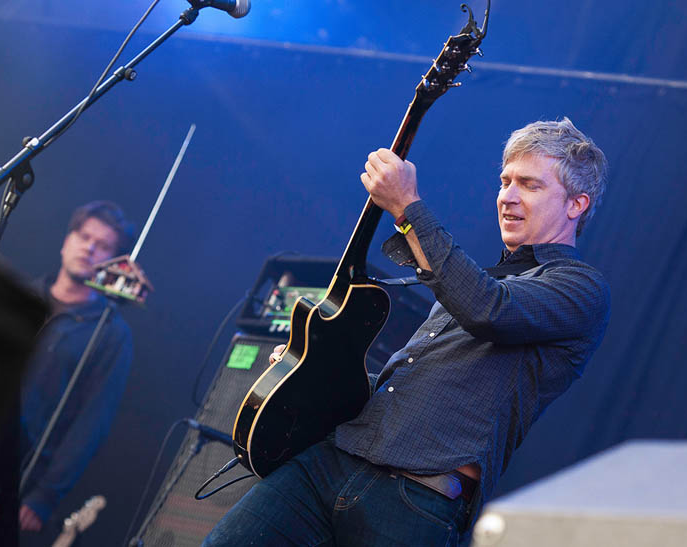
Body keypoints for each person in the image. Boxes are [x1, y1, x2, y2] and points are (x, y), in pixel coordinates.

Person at [203, 118, 610, 546]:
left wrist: (407, 207)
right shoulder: (477, 281)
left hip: (415, 496)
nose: (507, 196)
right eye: (504, 181)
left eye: (529, 184)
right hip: (332, 460)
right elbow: (407, 387)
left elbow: (488, 310)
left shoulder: (580, 288)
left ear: (576, 204)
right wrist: (312, 372)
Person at [18, 201, 134, 536]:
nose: (90, 247)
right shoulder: (23, 296)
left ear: (113, 262)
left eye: (104, 245)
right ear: (66, 240)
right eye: (84, 236)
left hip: (20, 478)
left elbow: (91, 424)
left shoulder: (110, 333)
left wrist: (44, 496)